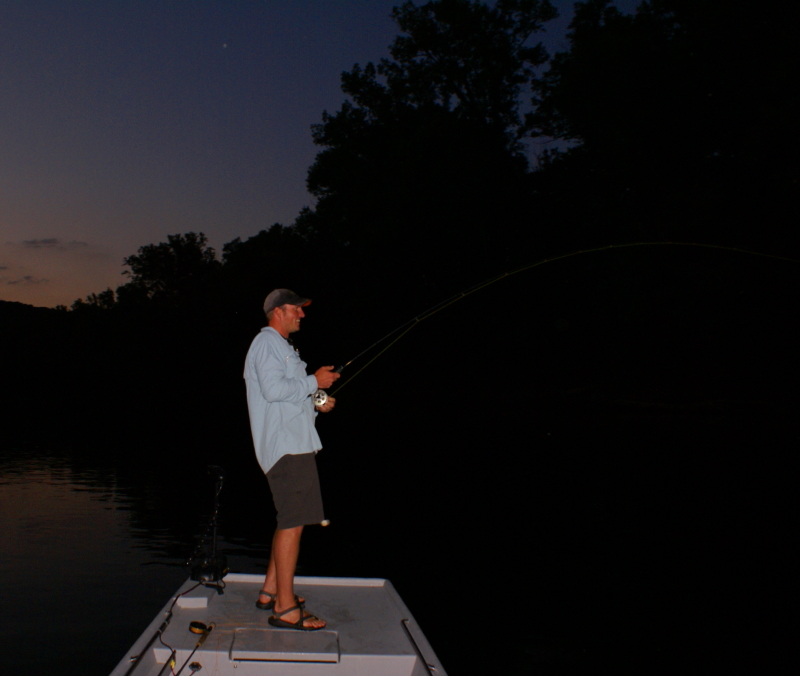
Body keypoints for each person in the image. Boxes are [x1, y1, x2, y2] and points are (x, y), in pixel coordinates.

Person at [243, 288, 340, 631]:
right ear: (278, 311)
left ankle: (270, 591)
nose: (302, 314)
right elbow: (272, 390)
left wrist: (317, 398)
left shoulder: (283, 348)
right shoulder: (267, 343)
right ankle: (285, 608)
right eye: (296, 309)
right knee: (293, 522)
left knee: (290, 518)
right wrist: (315, 380)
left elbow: (288, 391)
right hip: (286, 447)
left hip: (294, 442)